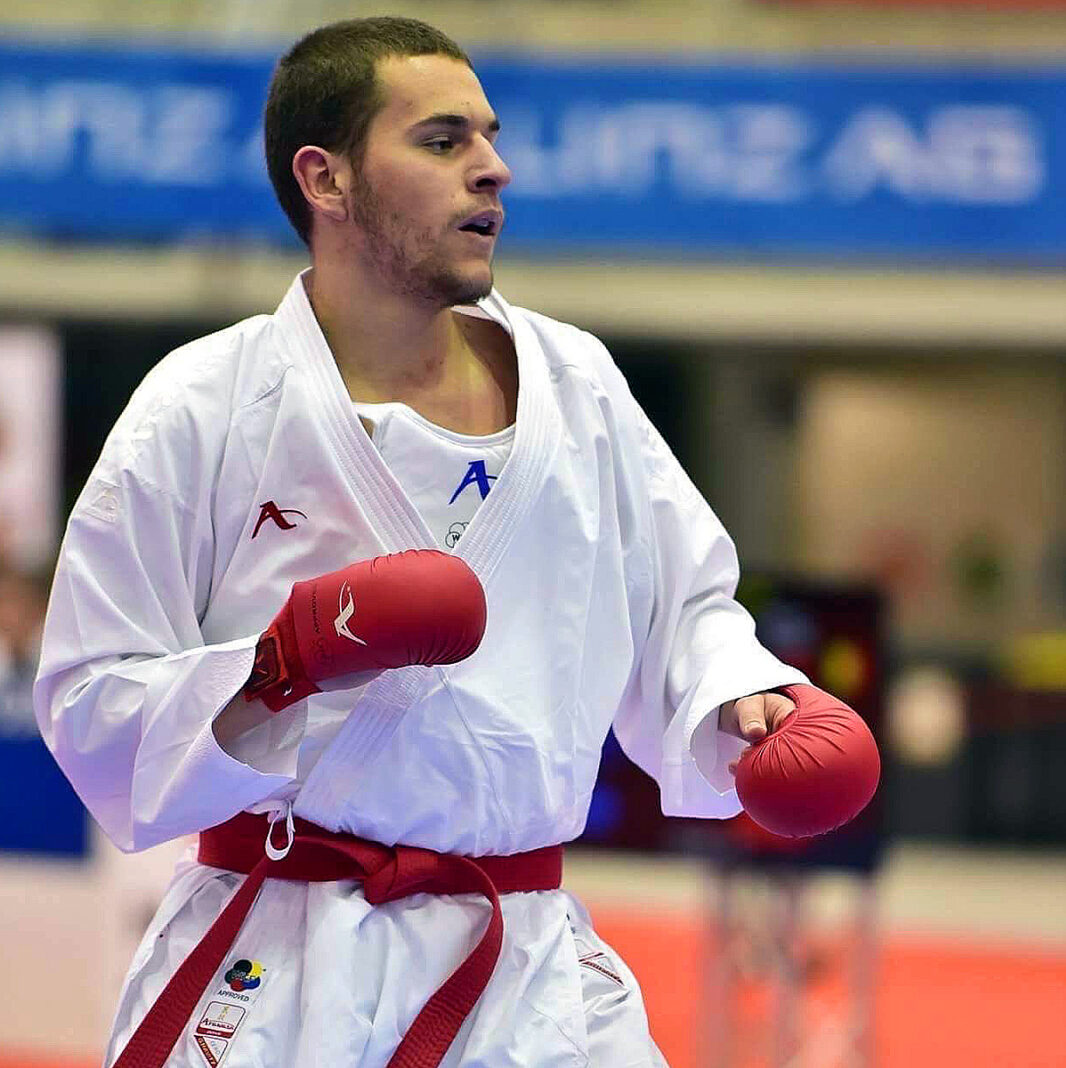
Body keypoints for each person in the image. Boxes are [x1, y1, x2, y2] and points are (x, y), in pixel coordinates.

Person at [34, 17, 812, 1068]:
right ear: (327, 178)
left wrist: (745, 697)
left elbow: (683, 610)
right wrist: (280, 666)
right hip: (276, 960)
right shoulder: (205, 405)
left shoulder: (577, 387)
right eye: (443, 141)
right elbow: (89, 699)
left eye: (488, 137)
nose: (493, 168)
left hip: (525, 968)